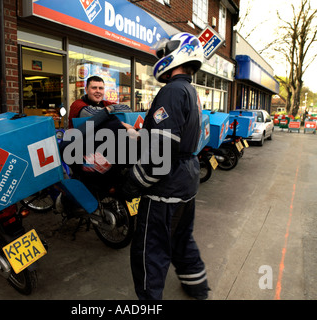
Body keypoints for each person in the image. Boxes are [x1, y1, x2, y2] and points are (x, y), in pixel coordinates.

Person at [120, 32, 209, 300]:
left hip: (165, 190)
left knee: (150, 253)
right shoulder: (189, 90)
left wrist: (131, 185)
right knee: (182, 241)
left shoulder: (171, 91)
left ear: (175, 53)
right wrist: (139, 135)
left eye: (161, 54)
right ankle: (198, 289)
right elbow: (176, 137)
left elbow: (159, 156)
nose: (159, 59)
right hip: (186, 182)